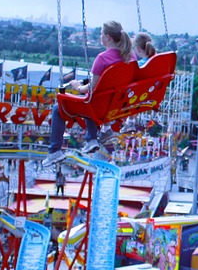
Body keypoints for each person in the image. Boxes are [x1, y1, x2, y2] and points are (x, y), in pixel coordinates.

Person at [42, 20, 135, 166]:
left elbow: (90, 89)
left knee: (58, 108)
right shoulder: (131, 57)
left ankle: (55, 151)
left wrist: (77, 86)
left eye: (101, 34)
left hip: (98, 105)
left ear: (108, 37)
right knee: (94, 99)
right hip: (117, 103)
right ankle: (92, 137)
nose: (100, 37)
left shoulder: (102, 58)